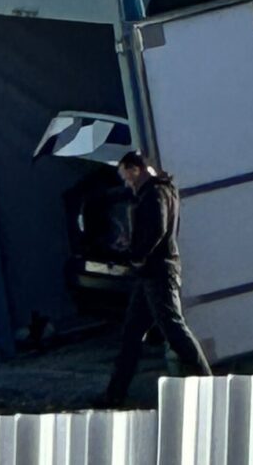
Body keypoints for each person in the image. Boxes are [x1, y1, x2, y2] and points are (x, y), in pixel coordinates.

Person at [102, 151, 211, 406]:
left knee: (174, 329)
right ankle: (114, 394)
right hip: (152, 272)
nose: (126, 183)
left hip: (158, 272)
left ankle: (209, 384)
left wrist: (137, 255)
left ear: (135, 169)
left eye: (126, 176)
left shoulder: (154, 193)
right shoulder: (161, 190)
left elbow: (156, 230)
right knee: (133, 333)